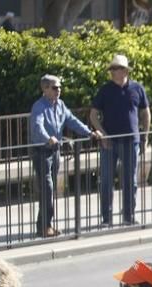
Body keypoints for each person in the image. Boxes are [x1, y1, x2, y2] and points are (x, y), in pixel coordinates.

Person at [28, 74, 101, 238]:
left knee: (50, 188)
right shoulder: (39, 107)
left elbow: (72, 121)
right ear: (45, 89)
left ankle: (44, 225)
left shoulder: (60, 105)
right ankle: (45, 226)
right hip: (41, 150)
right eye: (55, 87)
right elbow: (37, 127)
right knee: (47, 187)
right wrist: (48, 138)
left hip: (55, 150)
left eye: (60, 87)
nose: (58, 90)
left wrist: (90, 133)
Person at [89, 54, 151, 228]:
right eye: (112, 69)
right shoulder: (105, 90)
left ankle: (129, 216)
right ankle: (106, 218)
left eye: (116, 69)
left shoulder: (137, 88)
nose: (113, 72)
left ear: (124, 71)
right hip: (110, 142)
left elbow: (146, 113)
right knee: (107, 180)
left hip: (131, 140)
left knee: (130, 180)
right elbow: (93, 115)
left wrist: (145, 136)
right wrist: (103, 134)